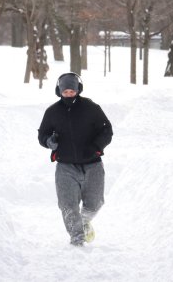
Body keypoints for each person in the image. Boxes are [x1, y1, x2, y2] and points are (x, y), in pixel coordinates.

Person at [37, 72, 113, 247]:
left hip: (92, 164)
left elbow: (106, 130)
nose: (69, 95)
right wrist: (49, 142)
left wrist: (96, 147)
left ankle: (84, 221)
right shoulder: (52, 112)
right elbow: (42, 135)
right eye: (65, 92)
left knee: (95, 203)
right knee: (67, 206)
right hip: (65, 166)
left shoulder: (91, 108)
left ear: (78, 89)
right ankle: (77, 240)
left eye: (72, 91)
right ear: (59, 91)